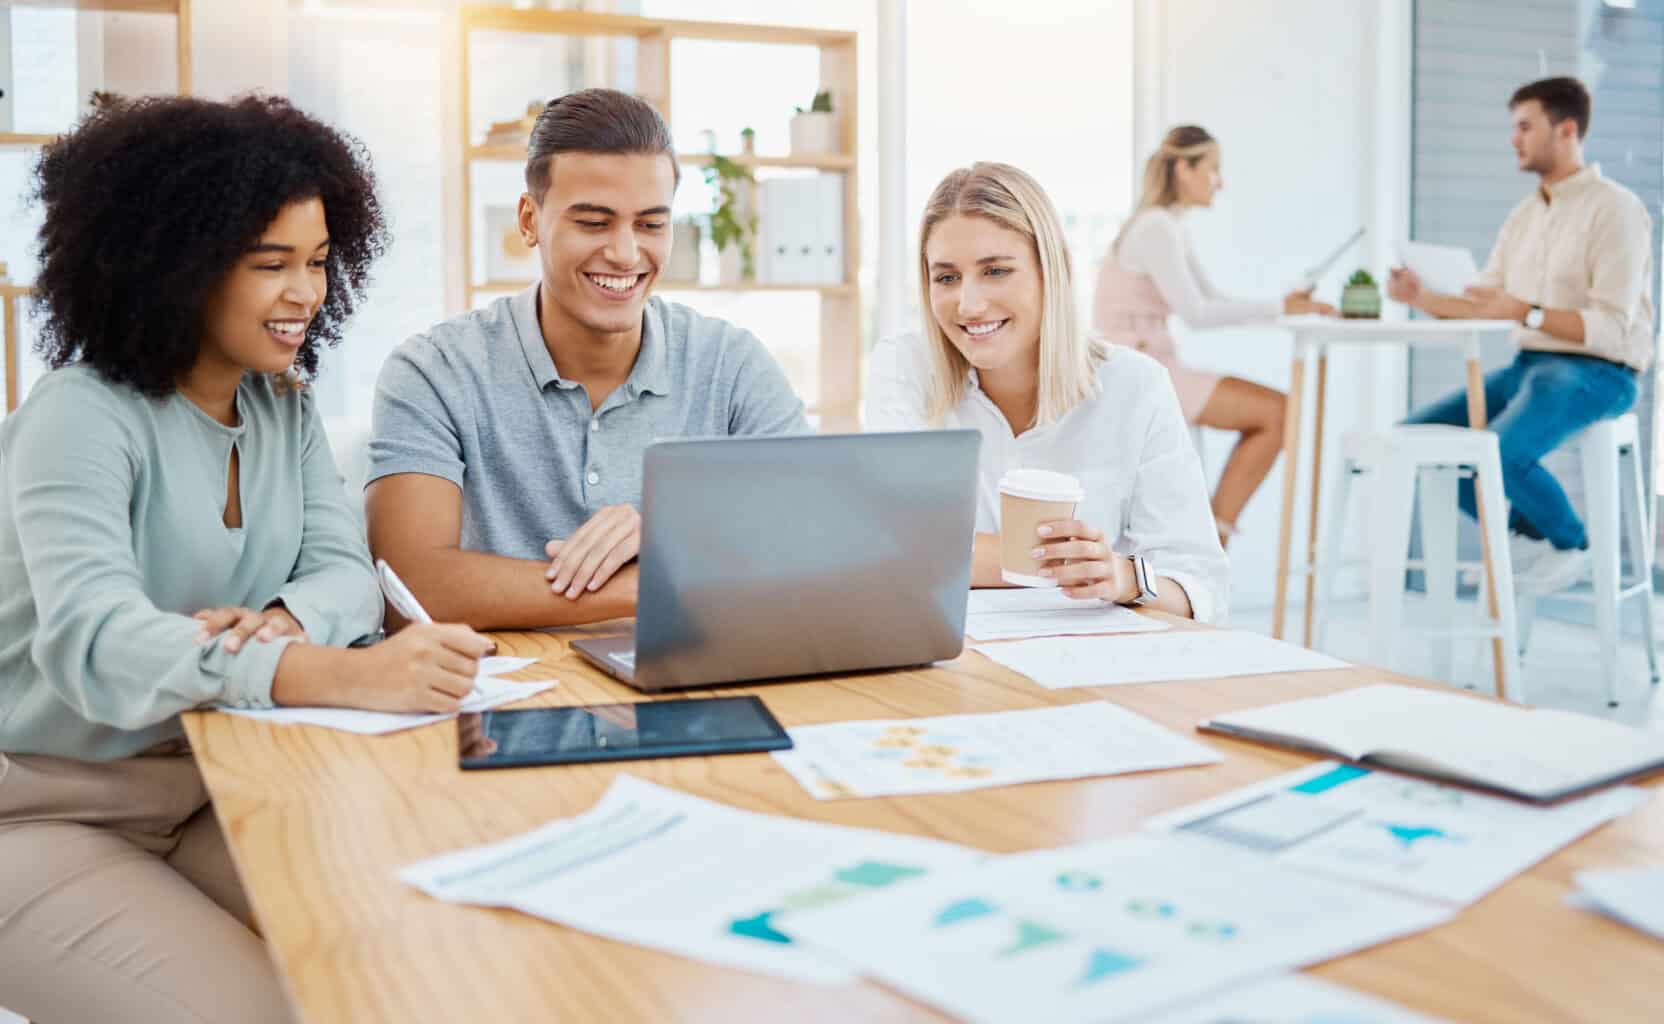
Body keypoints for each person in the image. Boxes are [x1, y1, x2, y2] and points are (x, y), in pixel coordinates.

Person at [0, 96, 494, 1023]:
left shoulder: (283, 408)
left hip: (213, 782)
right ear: (173, 267)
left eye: (316, 262)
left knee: (414, 957)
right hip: (38, 816)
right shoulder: (79, 414)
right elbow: (96, 642)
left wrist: (284, 622)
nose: (305, 293)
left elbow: (347, 571)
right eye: (271, 265)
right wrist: (323, 673)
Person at [368, 88, 808, 630]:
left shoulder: (732, 365)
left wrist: (670, 537)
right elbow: (410, 588)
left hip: (687, 687)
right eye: (594, 223)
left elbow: (810, 542)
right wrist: (660, 577)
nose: (626, 254)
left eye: (650, 224)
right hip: (508, 695)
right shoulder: (433, 371)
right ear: (529, 220)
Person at [867, 161, 1228, 622]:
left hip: (1091, 666)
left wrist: (1122, 578)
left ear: (1049, 269)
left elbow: (1201, 590)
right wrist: (1053, 562)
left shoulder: (1137, 386)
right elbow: (893, 548)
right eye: (947, 277)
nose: (969, 304)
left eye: (995, 271)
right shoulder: (905, 367)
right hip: (953, 662)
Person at [1390, 77, 1654, 596]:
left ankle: (1572, 542)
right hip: (1530, 368)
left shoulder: (1616, 209)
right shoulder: (1526, 215)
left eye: (1525, 126)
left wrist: (1527, 313)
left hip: (1602, 371)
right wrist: (1421, 298)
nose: (1514, 138)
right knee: (1416, 439)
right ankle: (1531, 533)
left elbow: (1611, 327)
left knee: (1500, 451)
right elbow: (1487, 301)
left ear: (1567, 130)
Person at [1094, 125, 1336, 547]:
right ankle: (1213, 540)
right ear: (1183, 169)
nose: (1220, 183)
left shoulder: (1169, 227)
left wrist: (1287, 307)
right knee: (1279, 413)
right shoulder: (1157, 228)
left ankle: (1211, 536)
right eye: (1213, 169)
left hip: (1154, 363)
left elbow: (1211, 300)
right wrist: (1281, 308)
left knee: (1280, 412)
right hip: (1139, 371)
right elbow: (1198, 314)